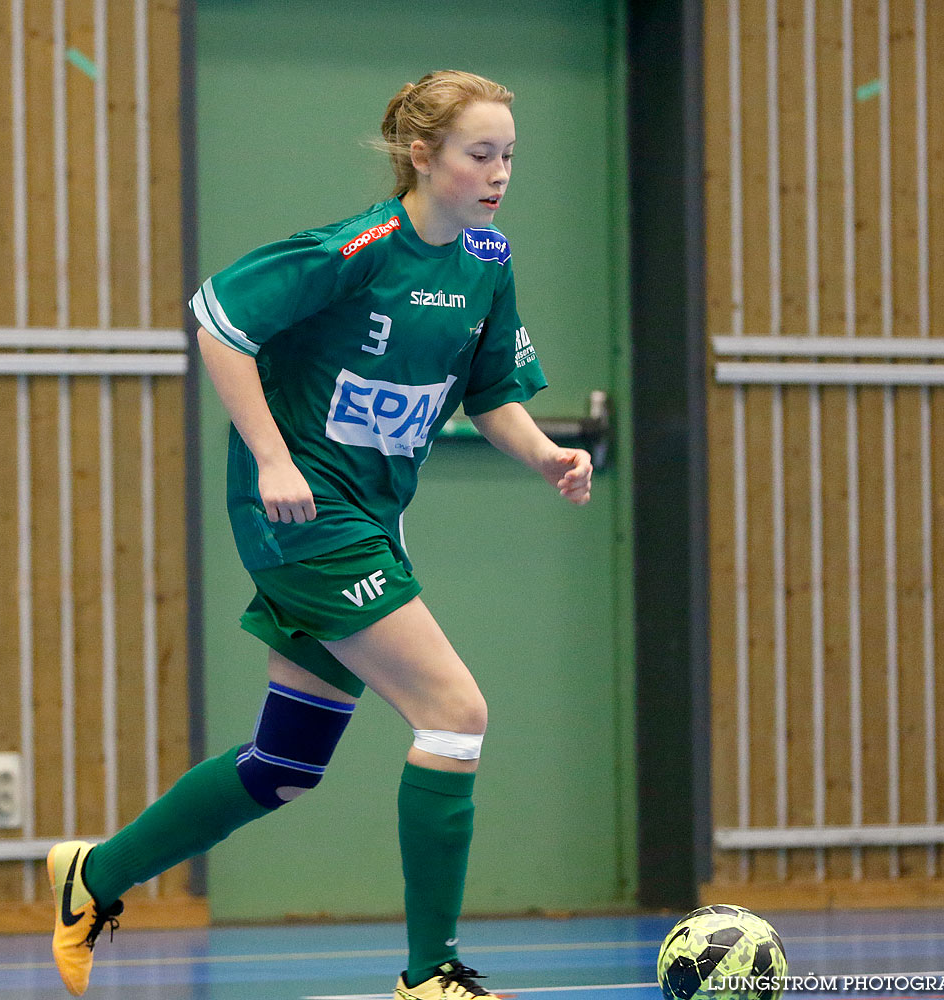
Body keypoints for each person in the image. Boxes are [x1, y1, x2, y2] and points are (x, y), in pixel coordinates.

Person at [47, 69, 593, 1000]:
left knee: (286, 766)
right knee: (455, 715)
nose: (499, 174)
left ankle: (91, 877)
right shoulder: (360, 247)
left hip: (370, 519)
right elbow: (218, 318)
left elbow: (489, 390)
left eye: (509, 155)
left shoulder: (487, 260)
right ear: (423, 157)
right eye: (479, 154)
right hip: (307, 520)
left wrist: (543, 454)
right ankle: (432, 976)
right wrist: (271, 458)